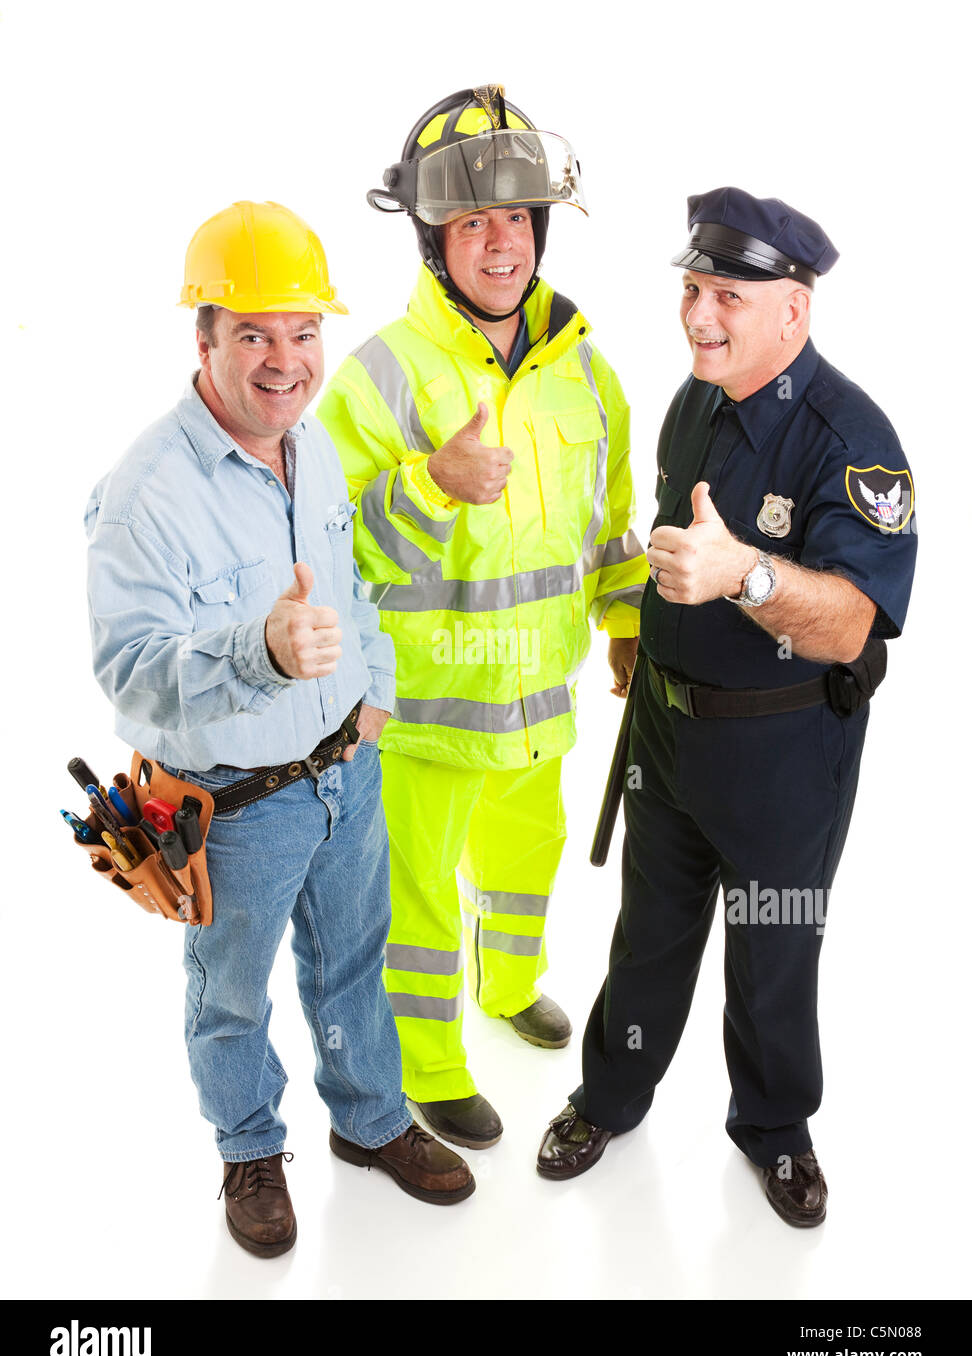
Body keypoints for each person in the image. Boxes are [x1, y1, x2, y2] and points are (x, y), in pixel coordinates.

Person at [85, 200, 474, 1259]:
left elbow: (356, 587)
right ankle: (250, 1147)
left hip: (344, 773)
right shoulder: (147, 493)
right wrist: (258, 649)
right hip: (238, 808)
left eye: (303, 332)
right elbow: (127, 669)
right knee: (230, 994)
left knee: (355, 961)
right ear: (203, 338)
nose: (283, 360)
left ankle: (370, 1117)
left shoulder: (316, 451)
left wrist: (372, 689)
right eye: (253, 333)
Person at [536, 187, 917, 1226]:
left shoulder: (853, 439)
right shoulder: (696, 399)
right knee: (649, 933)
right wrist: (637, 641)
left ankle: (776, 1128)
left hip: (784, 753)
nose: (700, 314)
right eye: (694, 288)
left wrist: (744, 574)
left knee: (773, 943)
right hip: (667, 726)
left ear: (792, 311)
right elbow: (670, 542)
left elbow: (848, 625)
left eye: (729, 298)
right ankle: (610, 1096)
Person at [318, 86, 649, 1148]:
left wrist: (628, 623)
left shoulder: (587, 372)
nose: (500, 243)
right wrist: (431, 484)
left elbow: (607, 523)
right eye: (473, 223)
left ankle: (509, 985)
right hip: (419, 711)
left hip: (537, 702)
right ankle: (429, 1067)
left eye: (515, 217)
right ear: (433, 240)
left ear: (541, 227)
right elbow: (328, 550)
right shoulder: (378, 375)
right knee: (413, 905)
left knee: (528, 859)